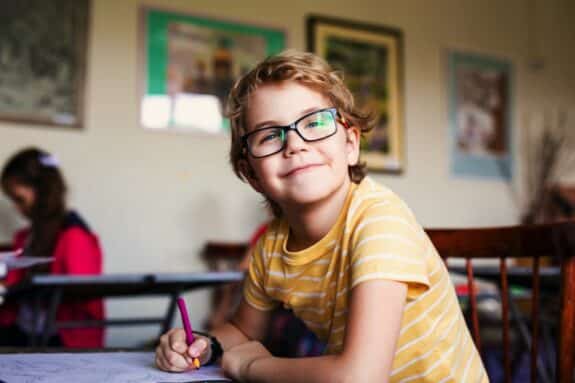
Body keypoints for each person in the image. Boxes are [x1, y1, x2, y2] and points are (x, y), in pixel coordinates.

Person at [156, 50, 487, 382]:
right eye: (270, 135)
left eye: (314, 122)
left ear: (350, 144)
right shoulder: (272, 247)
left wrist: (250, 366)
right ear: (251, 173)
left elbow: (361, 377)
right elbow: (243, 331)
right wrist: (203, 345)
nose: (295, 144)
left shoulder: (380, 221)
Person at [0, 147, 104, 348]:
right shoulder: (25, 237)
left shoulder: (75, 237)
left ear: (43, 191)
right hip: (22, 329)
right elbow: (14, 283)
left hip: (60, 337)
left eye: (19, 199)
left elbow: (81, 295)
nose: (16, 207)